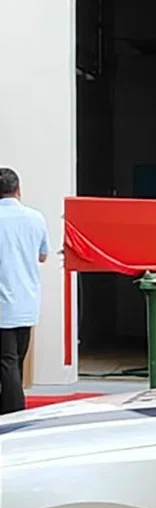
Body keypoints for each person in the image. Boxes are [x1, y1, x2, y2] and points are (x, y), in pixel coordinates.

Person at [0, 168, 50, 414]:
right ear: (18, 190)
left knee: (7, 362)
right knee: (16, 360)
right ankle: (10, 407)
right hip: (27, 301)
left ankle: (12, 412)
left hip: (2, 304)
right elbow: (43, 256)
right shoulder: (36, 218)